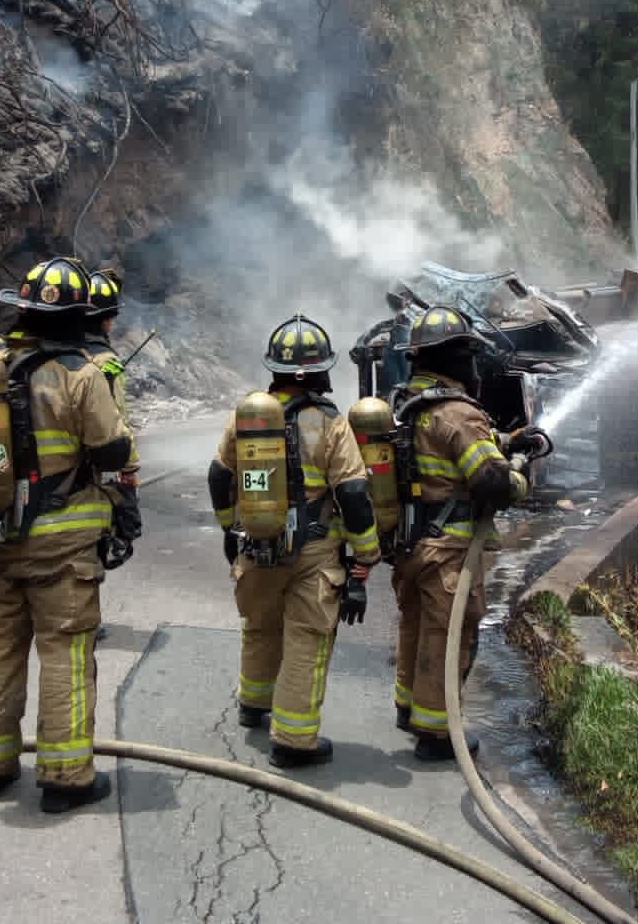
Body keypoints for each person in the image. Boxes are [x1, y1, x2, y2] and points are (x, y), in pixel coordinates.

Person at [0, 256, 134, 811]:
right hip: (62, 543)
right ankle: (65, 777)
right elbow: (112, 451)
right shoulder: (80, 374)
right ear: (80, 315)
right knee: (65, 650)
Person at [208, 315, 380, 769]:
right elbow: (354, 494)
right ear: (322, 371)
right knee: (306, 637)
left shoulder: (247, 417)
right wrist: (367, 556)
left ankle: (253, 705)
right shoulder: (330, 424)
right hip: (313, 550)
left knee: (261, 625)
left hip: (256, 542)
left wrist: (229, 527)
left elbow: (219, 475)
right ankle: (293, 741)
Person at [390, 306, 549, 761]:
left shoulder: (406, 402)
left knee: (415, 625)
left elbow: (443, 444)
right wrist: (518, 472)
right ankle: (437, 733)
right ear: (453, 358)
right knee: (449, 633)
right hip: (450, 549)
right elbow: (491, 484)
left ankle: (408, 707)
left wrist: (507, 440)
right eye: (471, 356)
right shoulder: (460, 413)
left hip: (411, 543)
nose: (476, 367)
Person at [84, 268, 142, 582]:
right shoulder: (104, 363)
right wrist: (129, 471)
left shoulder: (30, 355)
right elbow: (117, 423)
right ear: (106, 319)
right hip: (75, 480)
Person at [350, 282, 414, 398]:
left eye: (408, 299)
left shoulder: (422, 327)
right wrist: (365, 348)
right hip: (389, 397)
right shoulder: (387, 327)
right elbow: (357, 350)